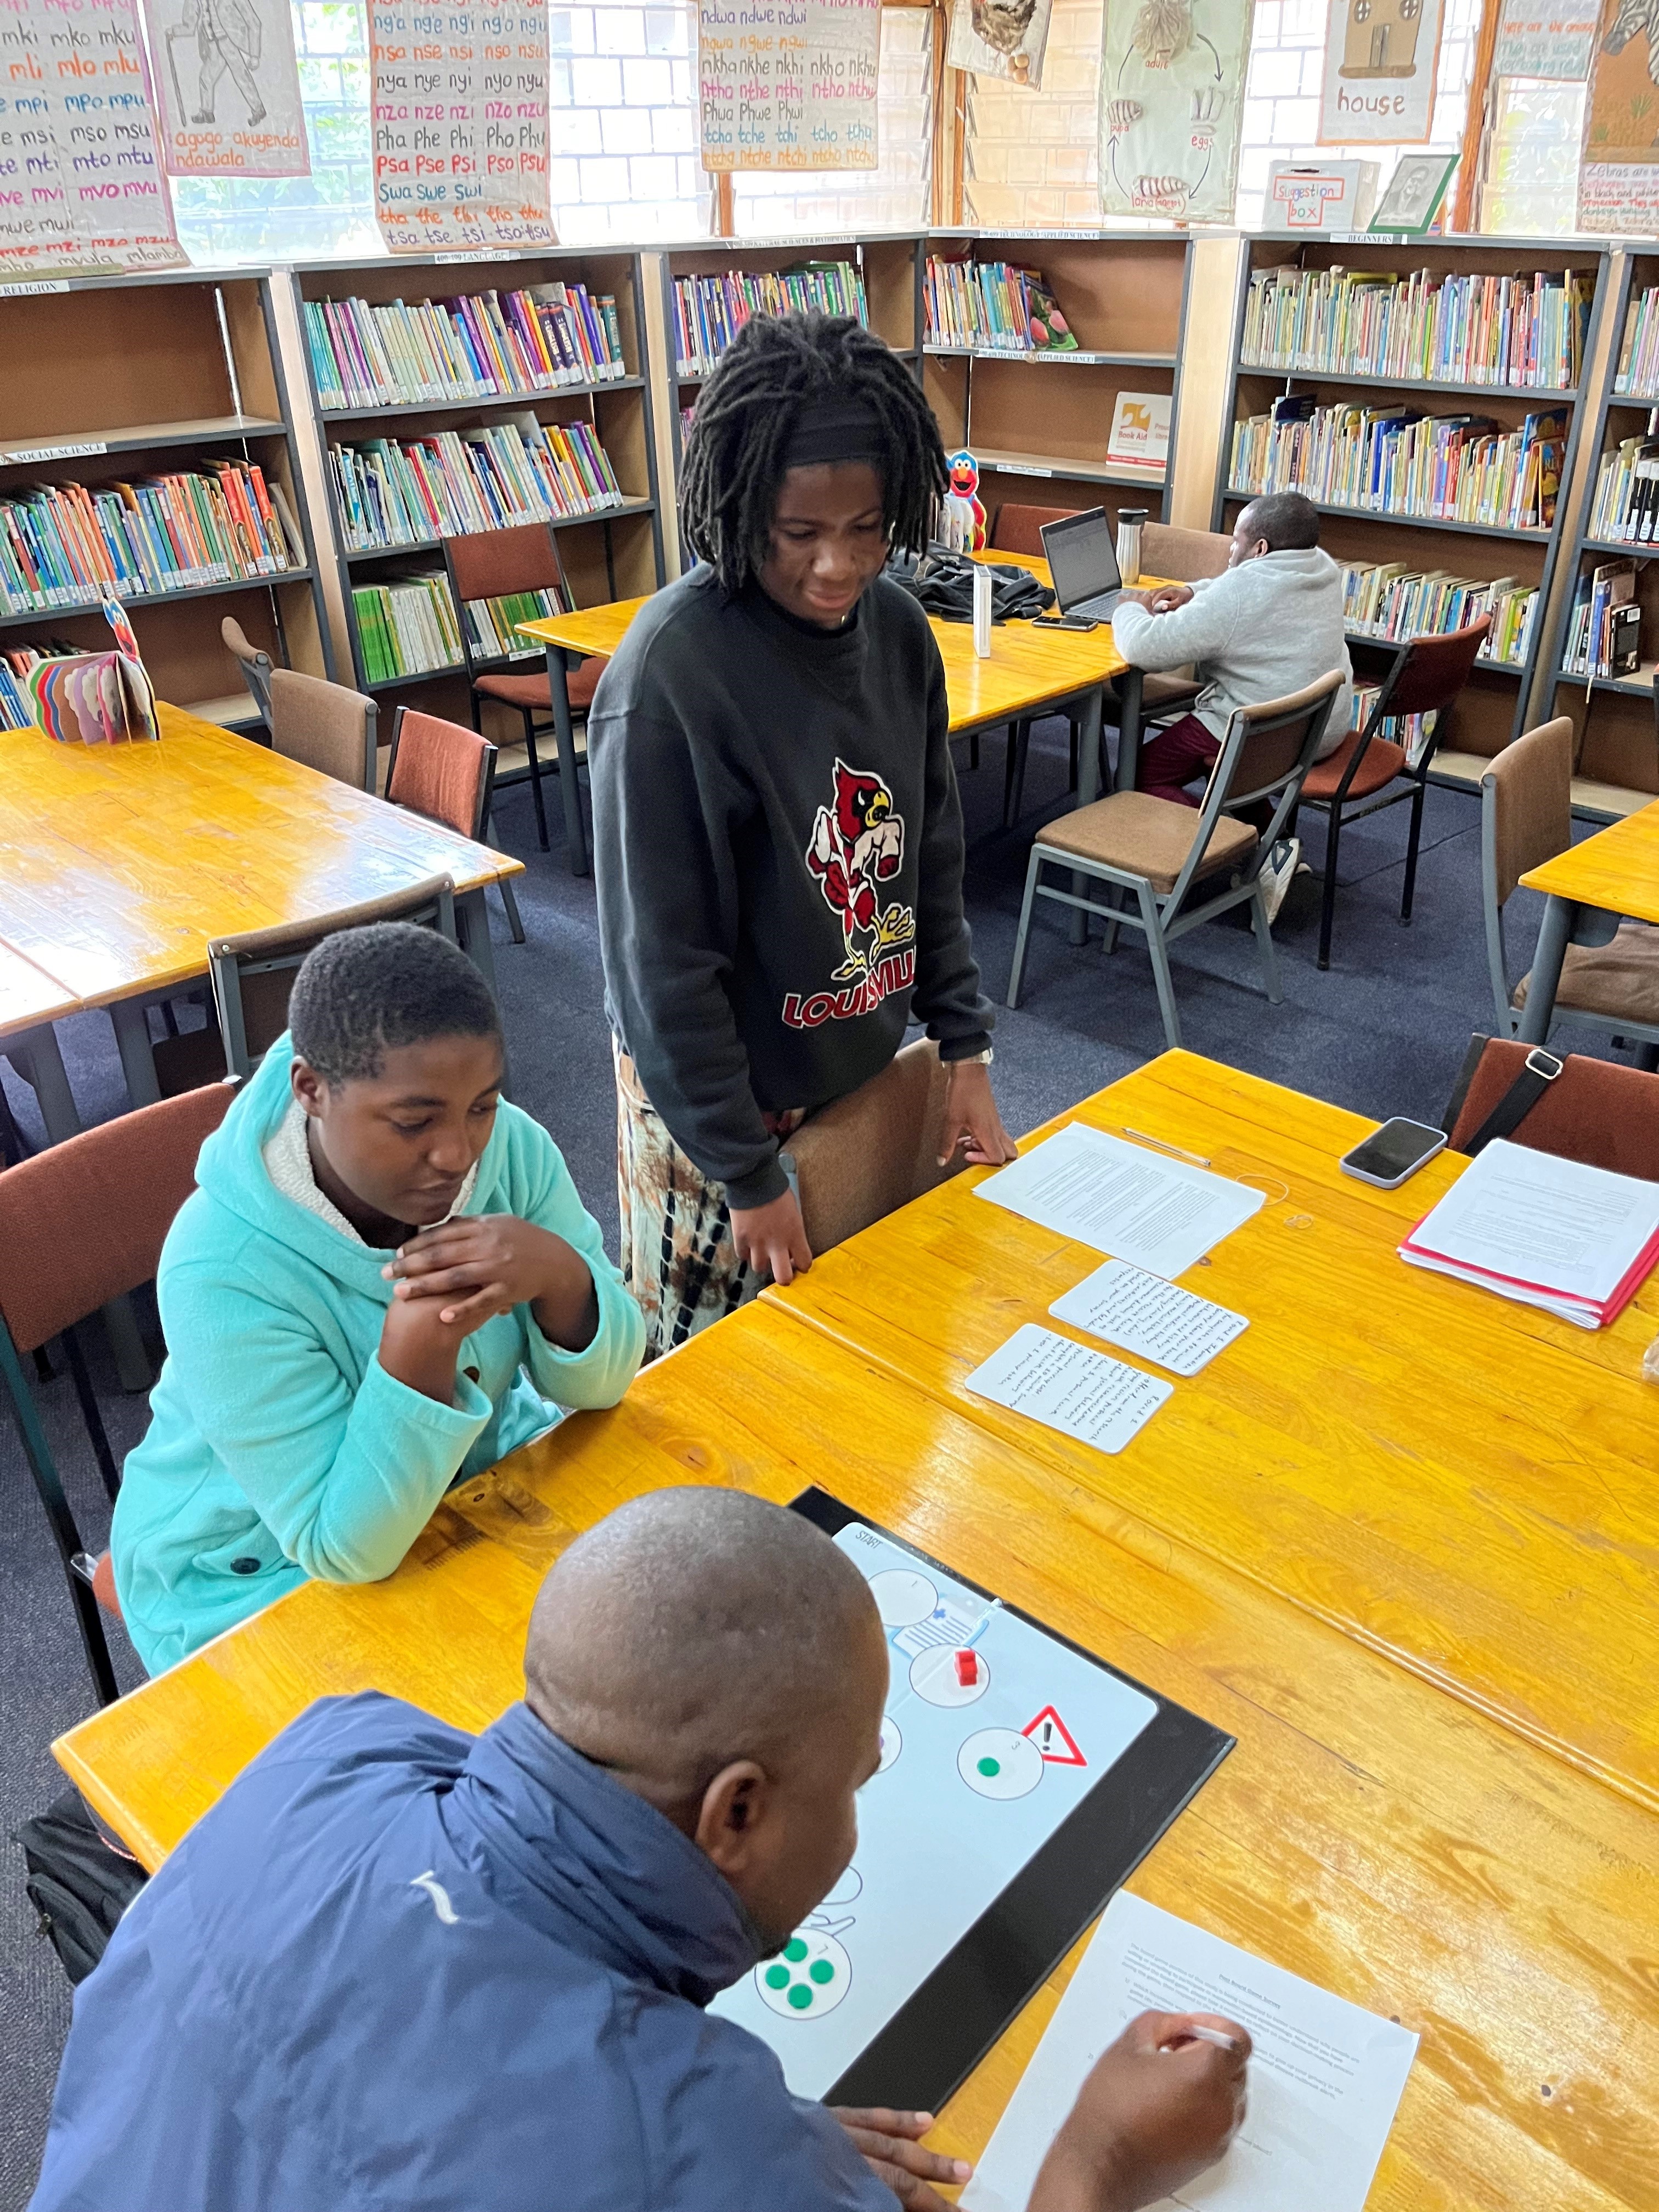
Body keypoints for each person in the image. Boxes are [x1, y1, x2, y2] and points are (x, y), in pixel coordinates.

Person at [33, 1488, 1250, 2211]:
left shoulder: (332, 1749)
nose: (864, 1789)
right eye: (857, 1775)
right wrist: (1100, 2156)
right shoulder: (711, 2152)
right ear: (736, 1814)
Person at [589, 311, 1017, 1359]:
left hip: (849, 1067)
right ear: (739, 510)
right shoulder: (669, 680)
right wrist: (745, 1170)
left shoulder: (899, 636)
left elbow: (930, 867)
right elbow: (663, 972)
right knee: (705, 1387)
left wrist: (962, 1045)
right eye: (798, 534)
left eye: (868, 528)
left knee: (849, 1356)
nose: (838, 565)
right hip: (716, 1114)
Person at [110, 923, 644, 1674]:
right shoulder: (218, 1265)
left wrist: (561, 1277)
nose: (459, 1154)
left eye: (481, 1105)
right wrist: (418, 1358)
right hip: (249, 1571)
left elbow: (605, 1386)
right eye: (413, 1121)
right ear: (311, 1090)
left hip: (461, 1491)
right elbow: (341, 1548)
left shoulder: (511, 1148)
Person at [1110, 490, 1353, 918]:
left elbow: (1144, 648)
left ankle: (1236, 854)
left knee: (1139, 769)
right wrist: (1192, 591)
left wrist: (1128, 610)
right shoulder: (1322, 566)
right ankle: (1272, 847)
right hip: (1318, 725)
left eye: (1236, 540)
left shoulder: (1243, 589)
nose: (1229, 547)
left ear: (1260, 549)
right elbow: (1239, 591)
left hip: (1259, 732)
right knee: (1239, 775)